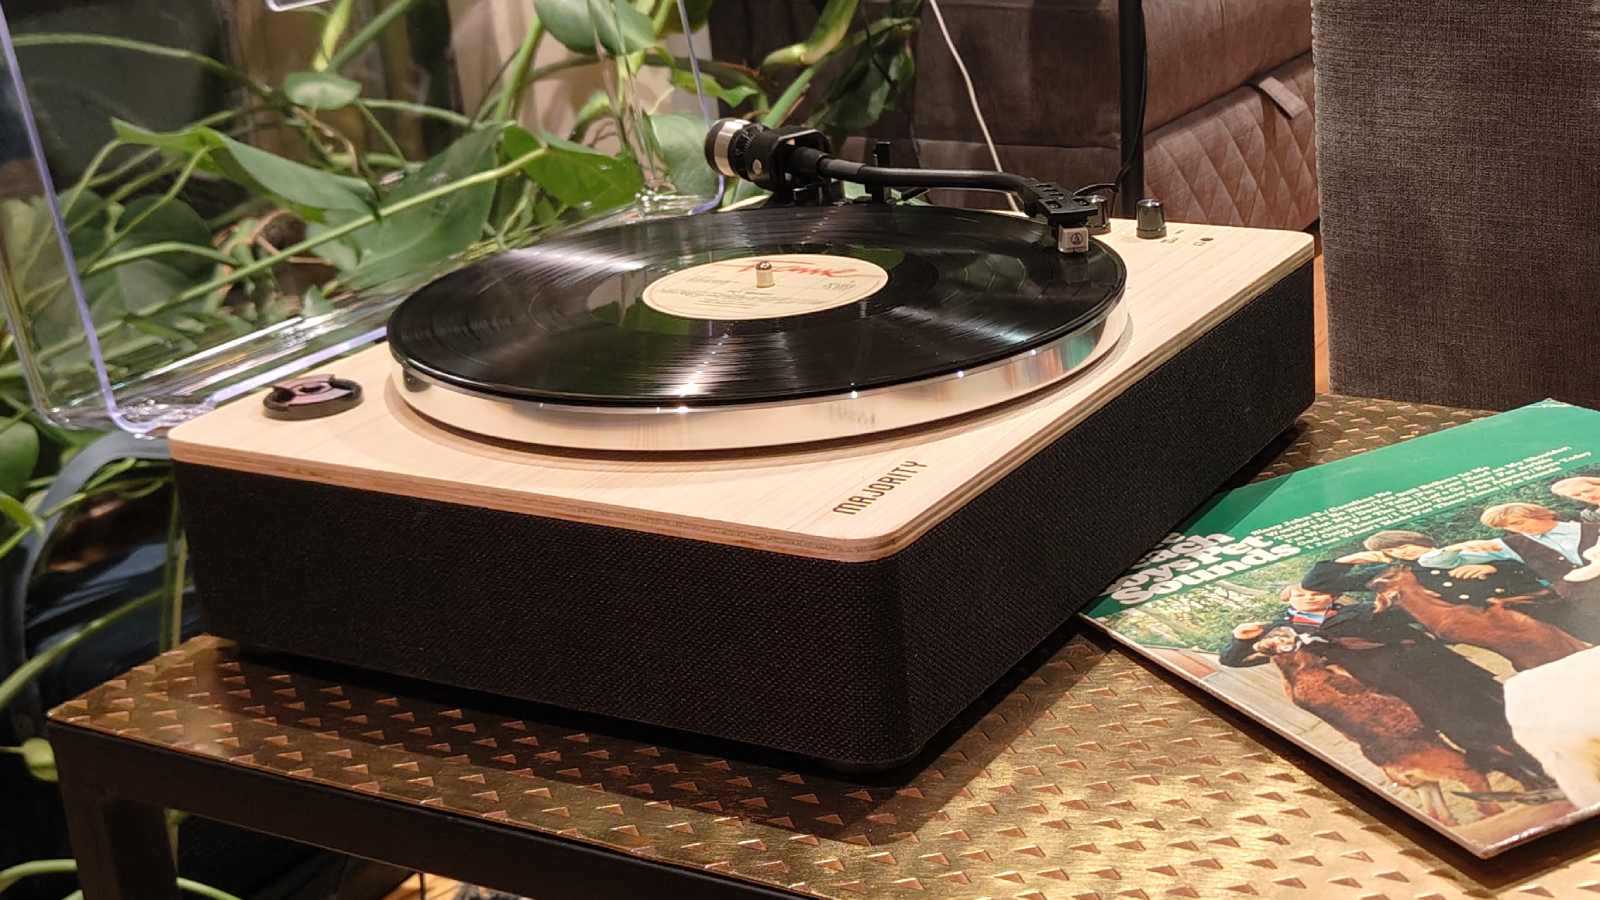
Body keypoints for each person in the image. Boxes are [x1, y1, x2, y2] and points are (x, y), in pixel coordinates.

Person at [1222, 582, 1551, 789]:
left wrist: (1389, 611)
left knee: (1504, 708)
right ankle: (1530, 776)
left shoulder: (1366, 608)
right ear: (1290, 597)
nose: (1310, 598)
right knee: (1465, 728)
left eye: (1317, 592)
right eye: (1302, 594)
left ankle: (1553, 754)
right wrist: (1239, 639)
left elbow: (1419, 626)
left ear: (1332, 594)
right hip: (1401, 684)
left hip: (1446, 667)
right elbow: (1233, 660)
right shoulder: (1281, 630)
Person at [1420, 503, 1600, 642]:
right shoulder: (1510, 545)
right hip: (1586, 604)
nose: (1516, 529)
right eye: (1508, 527)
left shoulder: (1593, 527)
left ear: (1541, 514)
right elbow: (1432, 561)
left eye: (1518, 522)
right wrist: (1458, 547)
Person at [1301, 529, 1551, 606]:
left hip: (1531, 600)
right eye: (1395, 550)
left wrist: (1494, 569)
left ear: (1421, 541)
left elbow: (1531, 567)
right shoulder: (1392, 573)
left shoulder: (1462, 547)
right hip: (1482, 621)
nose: (1404, 551)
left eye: (1406, 544)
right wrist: (1351, 560)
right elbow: (1316, 584)